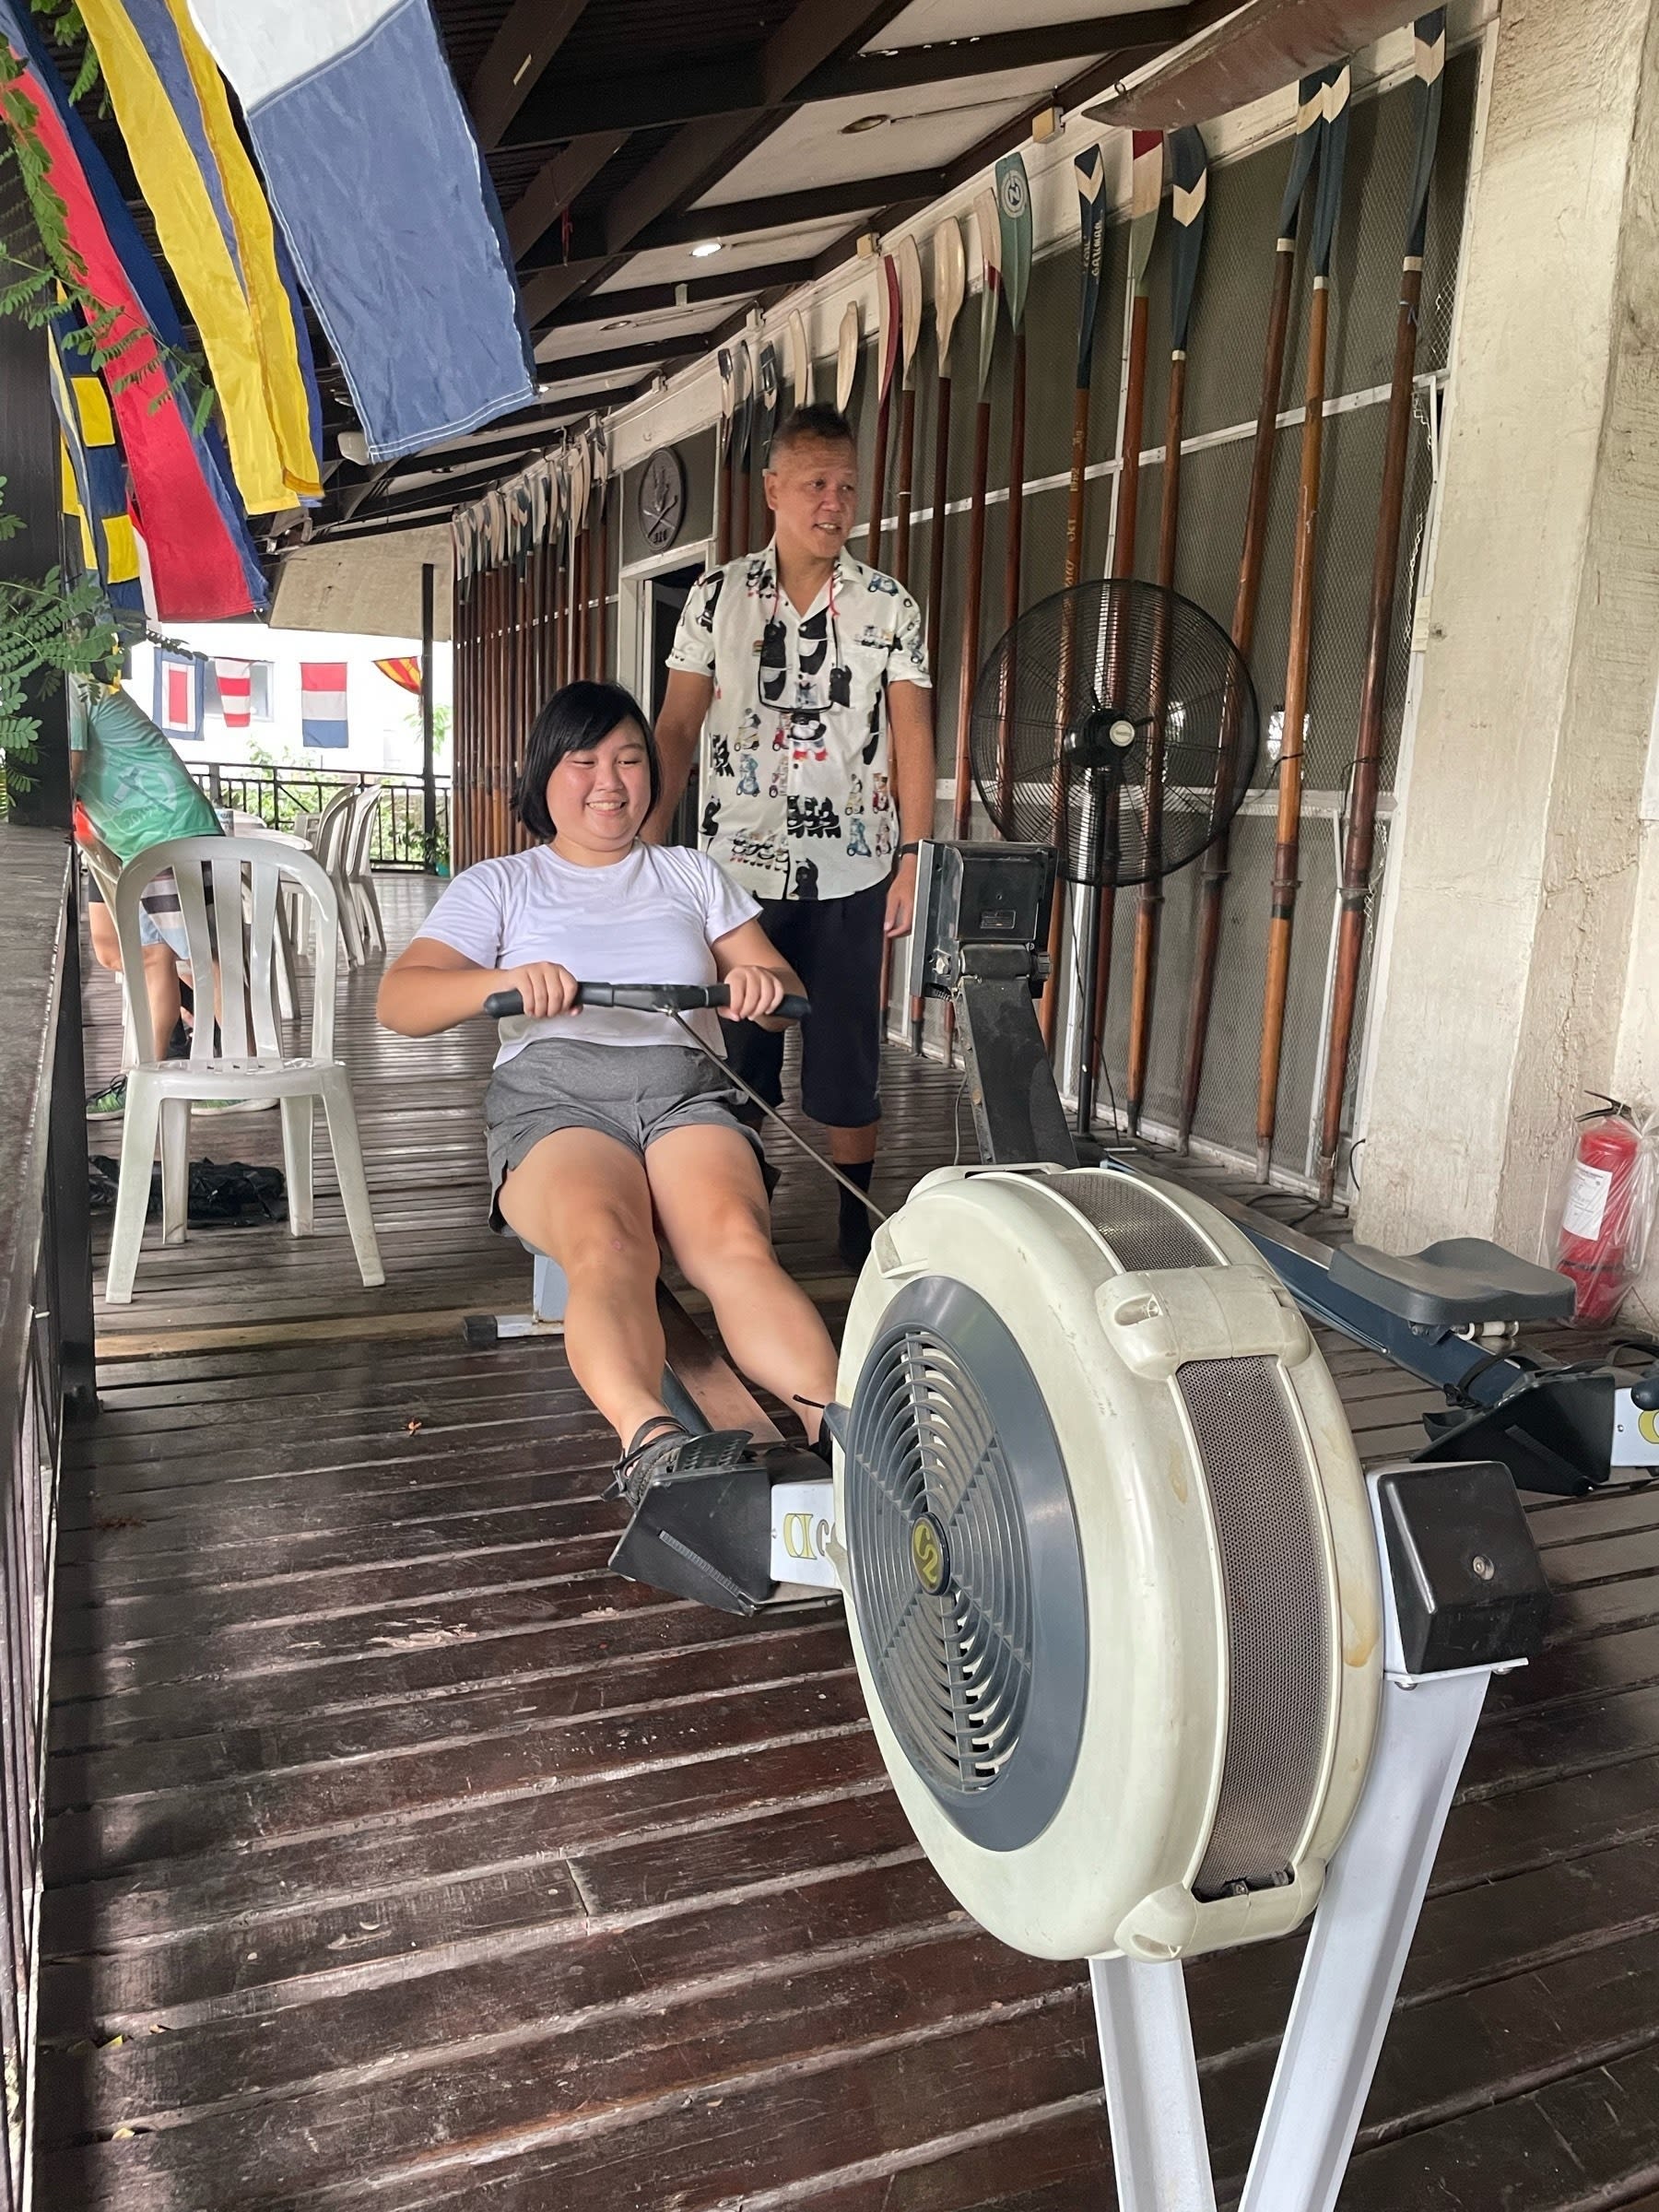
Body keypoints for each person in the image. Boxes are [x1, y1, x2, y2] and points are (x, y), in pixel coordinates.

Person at [377, 679, 841, 1488]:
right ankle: (650, 1439)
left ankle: (841, 1428)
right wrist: (508, 981)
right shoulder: (500, 883)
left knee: (731, 1241)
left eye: (630, 760)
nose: (610, 781)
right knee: (610, 1243)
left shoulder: (692, 873)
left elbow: (775, 990)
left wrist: (762, 986)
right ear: (544, 774)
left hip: (685, 1090)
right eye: (584, 761)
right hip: (554, 1100)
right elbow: (401, 1003)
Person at [652, 403, 935, 1272]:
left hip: (853, 870)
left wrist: (914, 860)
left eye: (847, 486)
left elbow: (915, 737)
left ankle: (856, 1225)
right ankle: (744, 1206)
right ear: (773, 488)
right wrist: (651, 855)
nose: (833, 503)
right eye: (815, 483)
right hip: (736, 873)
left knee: (849, 1052)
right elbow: (675, 728)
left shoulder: (889, 606)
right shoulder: (717, 597)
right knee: (742, 1053)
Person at [70, 677, 225, 1117]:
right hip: (137, 841)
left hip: (167, 830)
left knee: (202, 961)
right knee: (151, 958)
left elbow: (65, 771)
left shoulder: (67, 684)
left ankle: (248, 1072)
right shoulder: (64, 681)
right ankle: (146, 1077)